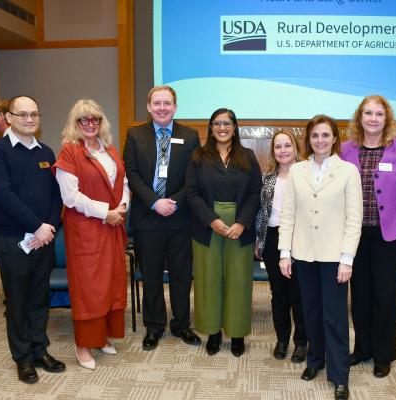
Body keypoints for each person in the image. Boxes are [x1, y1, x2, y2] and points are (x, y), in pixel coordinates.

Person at [278, 115, 362, 400]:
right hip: (303, 255)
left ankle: (339, 375)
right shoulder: (298, 170)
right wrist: (284, 253)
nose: (320, 140)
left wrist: (347, 258)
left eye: (325, 135)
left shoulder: (348, 171)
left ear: (335, 138)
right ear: (308, 139)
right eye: (315, 135)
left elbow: (354, 219)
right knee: (310, 312)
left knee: (335, 317)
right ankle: (315, 360)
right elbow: (288, 214)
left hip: (334, 257)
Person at [0, 95, 65, 384]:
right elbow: (3, 195)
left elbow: (56, 195)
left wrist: (50, 227)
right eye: (23, 115)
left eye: (34, 114)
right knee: (17, 301)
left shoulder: (46, 151)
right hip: (12, 239)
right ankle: (22, 358)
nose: (29, 119)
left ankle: (39, 349)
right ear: (9, 117)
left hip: (43, 239)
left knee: (40, 298)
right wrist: (37, 226)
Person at [341, 95, 396, 378]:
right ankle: (362, 349)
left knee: (386, 296)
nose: (373, 119)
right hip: (356, 234)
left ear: (387, 119)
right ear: (359, 117)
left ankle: (383, 355)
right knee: (359, 294)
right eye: (368, 113)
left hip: (391, 235)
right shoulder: (345, 150)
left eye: (379, 114)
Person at [53, 99, 129, 370]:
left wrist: (122, 206)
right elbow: (70, 196)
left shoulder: (109, 149)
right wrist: (104, 213)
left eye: (95, 119)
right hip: (86, 230)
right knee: (89, 288)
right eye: (83, 120)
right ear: (75, 123)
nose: (90, 124)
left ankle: (102, 338)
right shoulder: (69, 152)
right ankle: (83, 344)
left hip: (112, 226)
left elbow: (124, 182)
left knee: (111, 283)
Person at [123, 85, 201, 351]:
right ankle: (154, 327)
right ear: (149, 106)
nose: (162, 108)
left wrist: (173, 202)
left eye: (167, 103)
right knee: (151, 276)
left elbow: (194, 177)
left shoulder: (189, 137)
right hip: (148, 217)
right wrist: (155, 202)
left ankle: (181, 325)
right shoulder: (134, 135)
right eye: (157, 103)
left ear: (175, 107)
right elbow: (131, 174)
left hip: (180, 218)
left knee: (181, 275)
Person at [186, 108, 261, 357]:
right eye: (217, 123)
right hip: (207, 225)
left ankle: (237, 333)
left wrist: (242, 223)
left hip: (240, 227)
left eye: (227, 123)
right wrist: (212, 220)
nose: (222, 127)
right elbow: (192, 193)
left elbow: (254, 194)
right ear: (210, 127)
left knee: (238, 280)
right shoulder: (198, 156)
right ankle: (214, 332)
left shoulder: (248, 156)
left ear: (235, 127)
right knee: (209, 280)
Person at [254, 129, 307, 363]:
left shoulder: (307, 175)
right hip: (272, 239)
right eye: (278, 147)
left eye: (287, 145)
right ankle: (282, 339)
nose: (283, 150)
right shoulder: (268, 178)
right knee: (279, 294)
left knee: (299, 294)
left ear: (295, 148)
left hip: (301, 240)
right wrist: (259, 239)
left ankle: (302, 342)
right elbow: (261, 212)